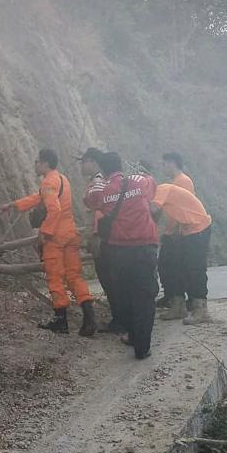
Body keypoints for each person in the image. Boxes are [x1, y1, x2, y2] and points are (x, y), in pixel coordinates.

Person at [0, 149, 97, 336]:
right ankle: (89, 319)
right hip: (70, 234)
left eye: (37, 162)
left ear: (45, 163)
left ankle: (61, 321)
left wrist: (44, 232)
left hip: (56, 238)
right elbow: (39, 197)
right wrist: (13, 205)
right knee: (74, 276)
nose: (35, 165)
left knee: (55, 278)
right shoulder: (61, 179)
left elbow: (54, 209)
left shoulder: (48, 181)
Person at [84, 152, 159, 359]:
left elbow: (90, 200)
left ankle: (133, 335)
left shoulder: (103, 189)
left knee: (125, 295)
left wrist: (98, 180)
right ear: (121, 166)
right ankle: (141, 347)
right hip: (144, 247)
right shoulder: (137, 182)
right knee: (144, 296)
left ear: (103, 168)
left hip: (118, 252)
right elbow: (151, 182)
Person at [150, 184, 213, 325]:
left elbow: (153, 209)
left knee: (196, 269)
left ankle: (201, 310)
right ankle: (178, 306)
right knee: (175, 267)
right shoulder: (164, 193)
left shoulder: (161, 189)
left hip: (198, 228)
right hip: (186, 230)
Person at [77, 148, 124, 334]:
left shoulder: (98, 181)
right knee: (112, 280)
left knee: (109, 279)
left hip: (102, 236)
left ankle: (120, 320)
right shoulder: (103, 180)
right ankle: (121, 318)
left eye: (84, 162)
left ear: (93, 162)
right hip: (106, 235)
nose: (82, 166)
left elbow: (97, 204)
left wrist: (95, 235)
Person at [156, 152, 195, 308]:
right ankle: (171, 295)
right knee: (166, 265)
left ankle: (178, 297)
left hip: (178, 231)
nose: (163, 167)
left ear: (172, 163)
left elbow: (185, 208)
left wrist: (178, 229)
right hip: (171, 230)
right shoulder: (175, 182)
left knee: (174, 265)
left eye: (164, 164)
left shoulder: (183, 182)